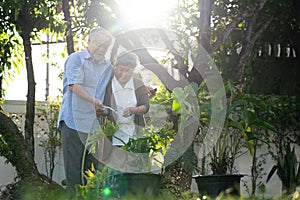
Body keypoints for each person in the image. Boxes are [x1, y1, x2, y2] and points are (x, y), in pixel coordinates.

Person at [57, 27, 113, 198]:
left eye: (106, 46)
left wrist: (142, 89)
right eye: (98, 44)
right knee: (75, 173)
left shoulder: (108, 66)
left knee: (92, 173)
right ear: (89, 42)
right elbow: (74, 85)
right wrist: (93, 101)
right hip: (73, 122)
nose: (102, 49)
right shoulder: (76, 59)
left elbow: (115, 85)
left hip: (93, 127)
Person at [102, 51, 150, 146]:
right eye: (121, 69)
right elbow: (103, 105)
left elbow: (146, 106)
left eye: (128, 70)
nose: (124, 73)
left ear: (133, 70)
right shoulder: (107, 84)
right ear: (116, 67)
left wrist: (134, 110)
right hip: (113, 136)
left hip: (135, 134)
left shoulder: (138, 84)